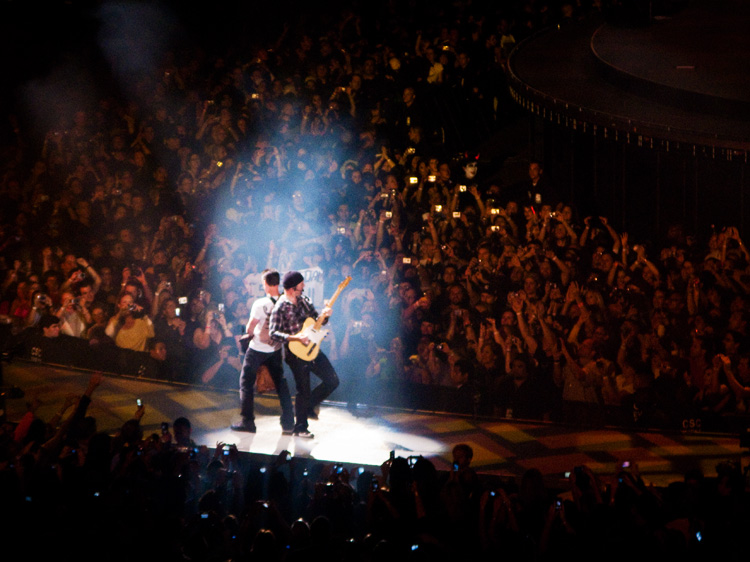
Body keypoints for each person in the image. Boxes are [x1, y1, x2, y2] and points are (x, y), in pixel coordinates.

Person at [269, 271, 340, 438]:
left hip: (313, 348)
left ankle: (308, 406)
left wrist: (326, 316)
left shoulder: (304, 301)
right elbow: (273, 333)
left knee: (332, 380)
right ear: (293, 287)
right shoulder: (280, 306)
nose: (304, 286)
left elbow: (317, 320)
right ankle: (300, 427)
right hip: (295, 353)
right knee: (303, 389)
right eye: (301, 284)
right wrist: (295, 337)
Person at [232, 269, 294, 434]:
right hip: (275, 349)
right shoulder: (286, 301)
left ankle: (248, 421)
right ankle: (288, 422)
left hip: (258, 348)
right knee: (281, 384)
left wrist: (248, 332)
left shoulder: (260, 304)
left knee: (246, 383)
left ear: (266, 284)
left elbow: (251, 327)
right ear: (278, 283)